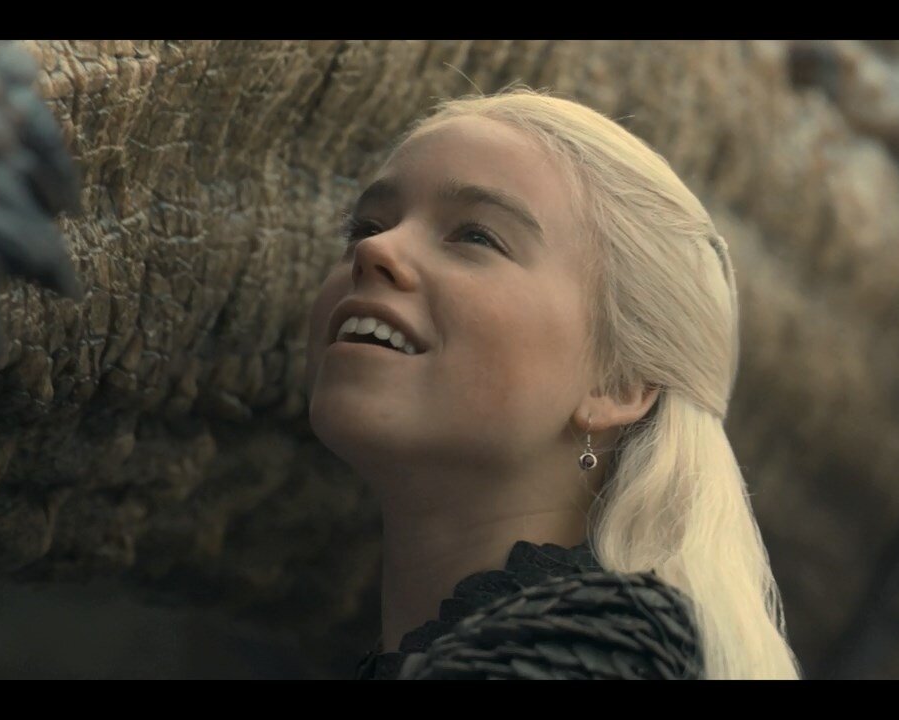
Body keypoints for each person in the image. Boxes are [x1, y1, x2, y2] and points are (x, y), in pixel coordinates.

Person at [304, 87, 803, 679]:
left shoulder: (614, 655)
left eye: (476, 236)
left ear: (617, 384)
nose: (375, 249)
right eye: (365, 225)